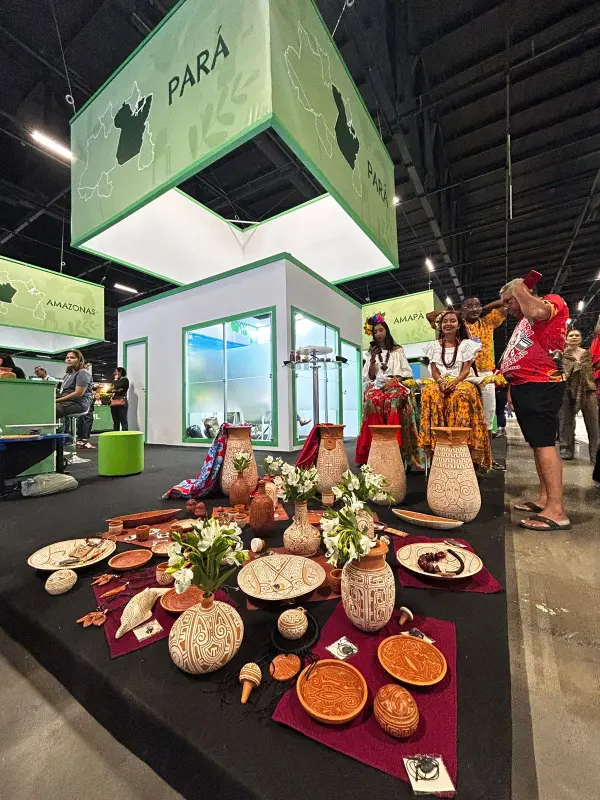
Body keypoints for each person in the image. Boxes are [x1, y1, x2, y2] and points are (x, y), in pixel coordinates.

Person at [499, 278, 570, 530]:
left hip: (541, 383)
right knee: (538, 444)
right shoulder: (525, 321)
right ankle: (544, 499)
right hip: (525, 385)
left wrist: (519, 288)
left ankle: (556, 511)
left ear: (523, 292)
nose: (506, 307)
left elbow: (536, 310)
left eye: (508, 301)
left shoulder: (550, 302)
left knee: (544, 444)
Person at [428, 297, 507, 468]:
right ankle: (465, 455)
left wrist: (482, 308)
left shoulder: (487, 322)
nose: (474, 309)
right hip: (462, 374)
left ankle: (487, 457)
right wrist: (458, 312)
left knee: (487, 416)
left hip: (485, 373)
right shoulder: (457, 324)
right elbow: (430, 316)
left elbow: (505, 303)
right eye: (469, 306)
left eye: (477, 305)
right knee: (465, 415)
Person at [418, 310, 491, 470]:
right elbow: (434, 370)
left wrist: (454, 382)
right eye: (445, 321)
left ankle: (462, 444)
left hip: (461, 380)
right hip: (441, 380)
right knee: (429, 392)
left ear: (458, 325)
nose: (448, 324)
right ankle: (436, 444)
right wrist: (441, 382)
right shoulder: (434, 346)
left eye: (452, 320)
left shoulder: (466, 345)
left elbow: (465, 370)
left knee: (462, 393)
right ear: (441, 325)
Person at [355, 314, 424, 470]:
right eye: (375, 332)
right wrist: (372, 359)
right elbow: (370, 376)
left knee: (392, 399)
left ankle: (397, 446)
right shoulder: (371, 353)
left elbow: (406, 372)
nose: (378, 334)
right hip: (377, 385)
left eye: (381, 330)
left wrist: (394, 381)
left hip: (395, 383)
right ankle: (374, 447)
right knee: (372, 400)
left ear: (386, 331)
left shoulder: (397, 350)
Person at [557, 329, 598, 462]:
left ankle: (595, 454)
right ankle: (566, 450)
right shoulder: (561, 355)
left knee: (593, 422)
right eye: (571, 335)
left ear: (580, 339)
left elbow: (589, 373)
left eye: (577, 335)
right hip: (566, 390)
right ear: (566, 339)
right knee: (565, 421)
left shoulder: (587, 354)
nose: (574, 337)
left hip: (588, 389)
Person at [56, 350, 93, 420]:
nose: (69, 359)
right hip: (67, 402)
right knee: (45, 406)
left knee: (51, 410)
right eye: (67, 358)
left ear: (79, 360)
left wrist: (57, 400)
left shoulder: (83, 373)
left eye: (72, 357)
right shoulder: (67, 375)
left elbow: (78, 393)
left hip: (78, 403)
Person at [76, 363, 95, 449]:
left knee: (81, 419)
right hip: (86, 399)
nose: (88, 367)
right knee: (88, 419)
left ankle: (80, 440)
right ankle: (85, 440)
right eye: (87, 366)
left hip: (80, 400)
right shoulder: (85, 374)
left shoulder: (76, 375)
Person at [110, 367, 130, 431]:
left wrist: (115, 389)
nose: (114, 373)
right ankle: (115, 435)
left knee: (123, 420)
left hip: (122, 402)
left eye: (116, 371)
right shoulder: (115, 380)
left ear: (120, 372)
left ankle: (125, 435)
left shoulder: (125, 380)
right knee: (115, 421)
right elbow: (110, 389)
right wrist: (116, 389)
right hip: (114, 402)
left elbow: (117, 386)